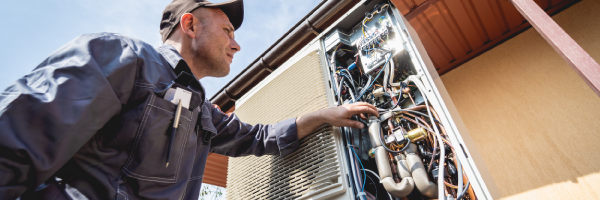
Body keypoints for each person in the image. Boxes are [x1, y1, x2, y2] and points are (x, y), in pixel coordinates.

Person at [0, 0, 378, 199]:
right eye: (227, 29)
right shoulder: (120, 58)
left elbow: (259, 137)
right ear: (190, 25)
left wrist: (327, 114)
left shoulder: (203, 114)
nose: (237, 42)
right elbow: (12, 148)